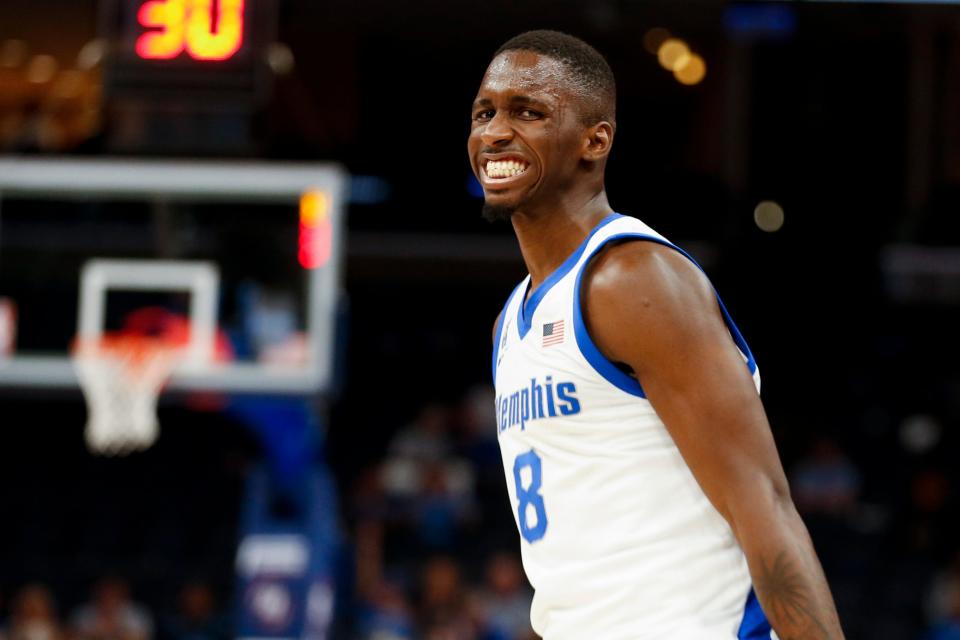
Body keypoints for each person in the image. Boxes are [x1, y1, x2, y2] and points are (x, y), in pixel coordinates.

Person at [470, 30, 845, 638]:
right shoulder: (511, 323)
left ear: (596, 140)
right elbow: (569, 565)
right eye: (484, 112)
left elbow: (766, 508)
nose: (494, 132)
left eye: (527, 112)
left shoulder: (631, 280)